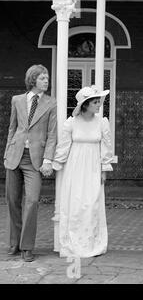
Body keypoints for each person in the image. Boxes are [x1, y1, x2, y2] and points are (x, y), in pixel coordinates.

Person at [52, 85, 113, 258]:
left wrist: (104, 169)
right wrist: (56, 163)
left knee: (91, 203)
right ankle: (73, 243)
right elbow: (63, 146)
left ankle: (91, 242)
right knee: (76, 203)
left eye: (99, 101)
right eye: (95, 102)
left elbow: (106, 147)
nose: (99, 105)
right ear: (85, 104)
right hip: (75, 167)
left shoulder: (102, 122)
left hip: (93, 166)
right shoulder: (71, 123)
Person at [4, 64, 56, 262]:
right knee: (12, 201)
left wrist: (48, 159)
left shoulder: (52, 103)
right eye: (43, 78)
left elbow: (52, 135)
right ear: (33, 79)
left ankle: (27, 247)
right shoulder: (17, 100)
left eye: (47, 78)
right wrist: (7, 153)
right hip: (14, 156)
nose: (46, 81)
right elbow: (12, 128)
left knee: (32, 201)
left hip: (34, 160)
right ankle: (14, 243)